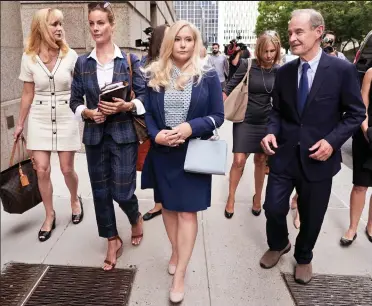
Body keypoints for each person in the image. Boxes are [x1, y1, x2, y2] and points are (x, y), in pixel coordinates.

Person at [260, 9, 365, 285]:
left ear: (319, 32)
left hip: (318, 158)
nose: (292, 38)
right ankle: (279, 243)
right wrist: (271, 132)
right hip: (283, 155)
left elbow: (355, 113)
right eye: (290, 33)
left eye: (298, 32)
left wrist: (332, 142)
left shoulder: (342, 70)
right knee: (272, 207)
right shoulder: (284, 72)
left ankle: (304, 256)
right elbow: (276, 112)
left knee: (312, 215)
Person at [141, 20, 224, 303]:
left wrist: (192, 127)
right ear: (169, 43)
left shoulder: (208, 75)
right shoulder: (154, 73)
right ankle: (176, 250)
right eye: (178, 39)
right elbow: (149, 115)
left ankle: (180, 275)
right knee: (169, 208)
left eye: (189, 39)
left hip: (193, 153)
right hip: (164, 154)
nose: (184, 44)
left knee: (188, 213)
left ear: (195, 42)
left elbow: (218, 116)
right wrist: (157, 135)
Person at [69, 2, 145, 271]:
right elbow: (74, 101)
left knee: (123, 192)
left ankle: (135, 217)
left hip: (123, 134)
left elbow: (144, 97)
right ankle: (112, 240)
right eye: (91, 23)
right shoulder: (82, 62)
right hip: (95, 137)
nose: (95, 28)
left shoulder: (129, 60)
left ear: (112, 25)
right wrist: (88, 112)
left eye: (100, 23)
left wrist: (126, 106)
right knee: (101, 192)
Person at [14, 8, 83, 242]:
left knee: (66, 169)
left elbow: (82, 89)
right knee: (41, 169)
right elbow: (27, 94)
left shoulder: (71, 55)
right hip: (39, 118)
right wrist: (20, 124)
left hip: (65, 115)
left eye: (61, 23)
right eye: (54, 24)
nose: (60, 28)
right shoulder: (28, 57)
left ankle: (75, 199)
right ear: (42, 27)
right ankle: (49, 214)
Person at [223, 31, 281, 219]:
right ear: (258, 50)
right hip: (245, 120)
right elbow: (229, 87)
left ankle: (258, 198)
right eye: (265, 51)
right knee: (239, 160)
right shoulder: (247, 65)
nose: (269, 55)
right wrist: (216, 113)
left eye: (273, 50)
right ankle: (231, 197)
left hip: (266, 122)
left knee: (260, 161)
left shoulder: (279, 71)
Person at [140, 23, 170, 221]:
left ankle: (170, 202)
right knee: (157, 167)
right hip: (155, 124)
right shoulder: (146, 63)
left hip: (177, 124)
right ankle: (159, 203)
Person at [340, 67, 372, 245]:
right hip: (367, 135)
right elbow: (362, 107)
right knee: (360, 185)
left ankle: (371, 226)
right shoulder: (371, 73)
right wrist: (367, 133)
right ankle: (352, 228)